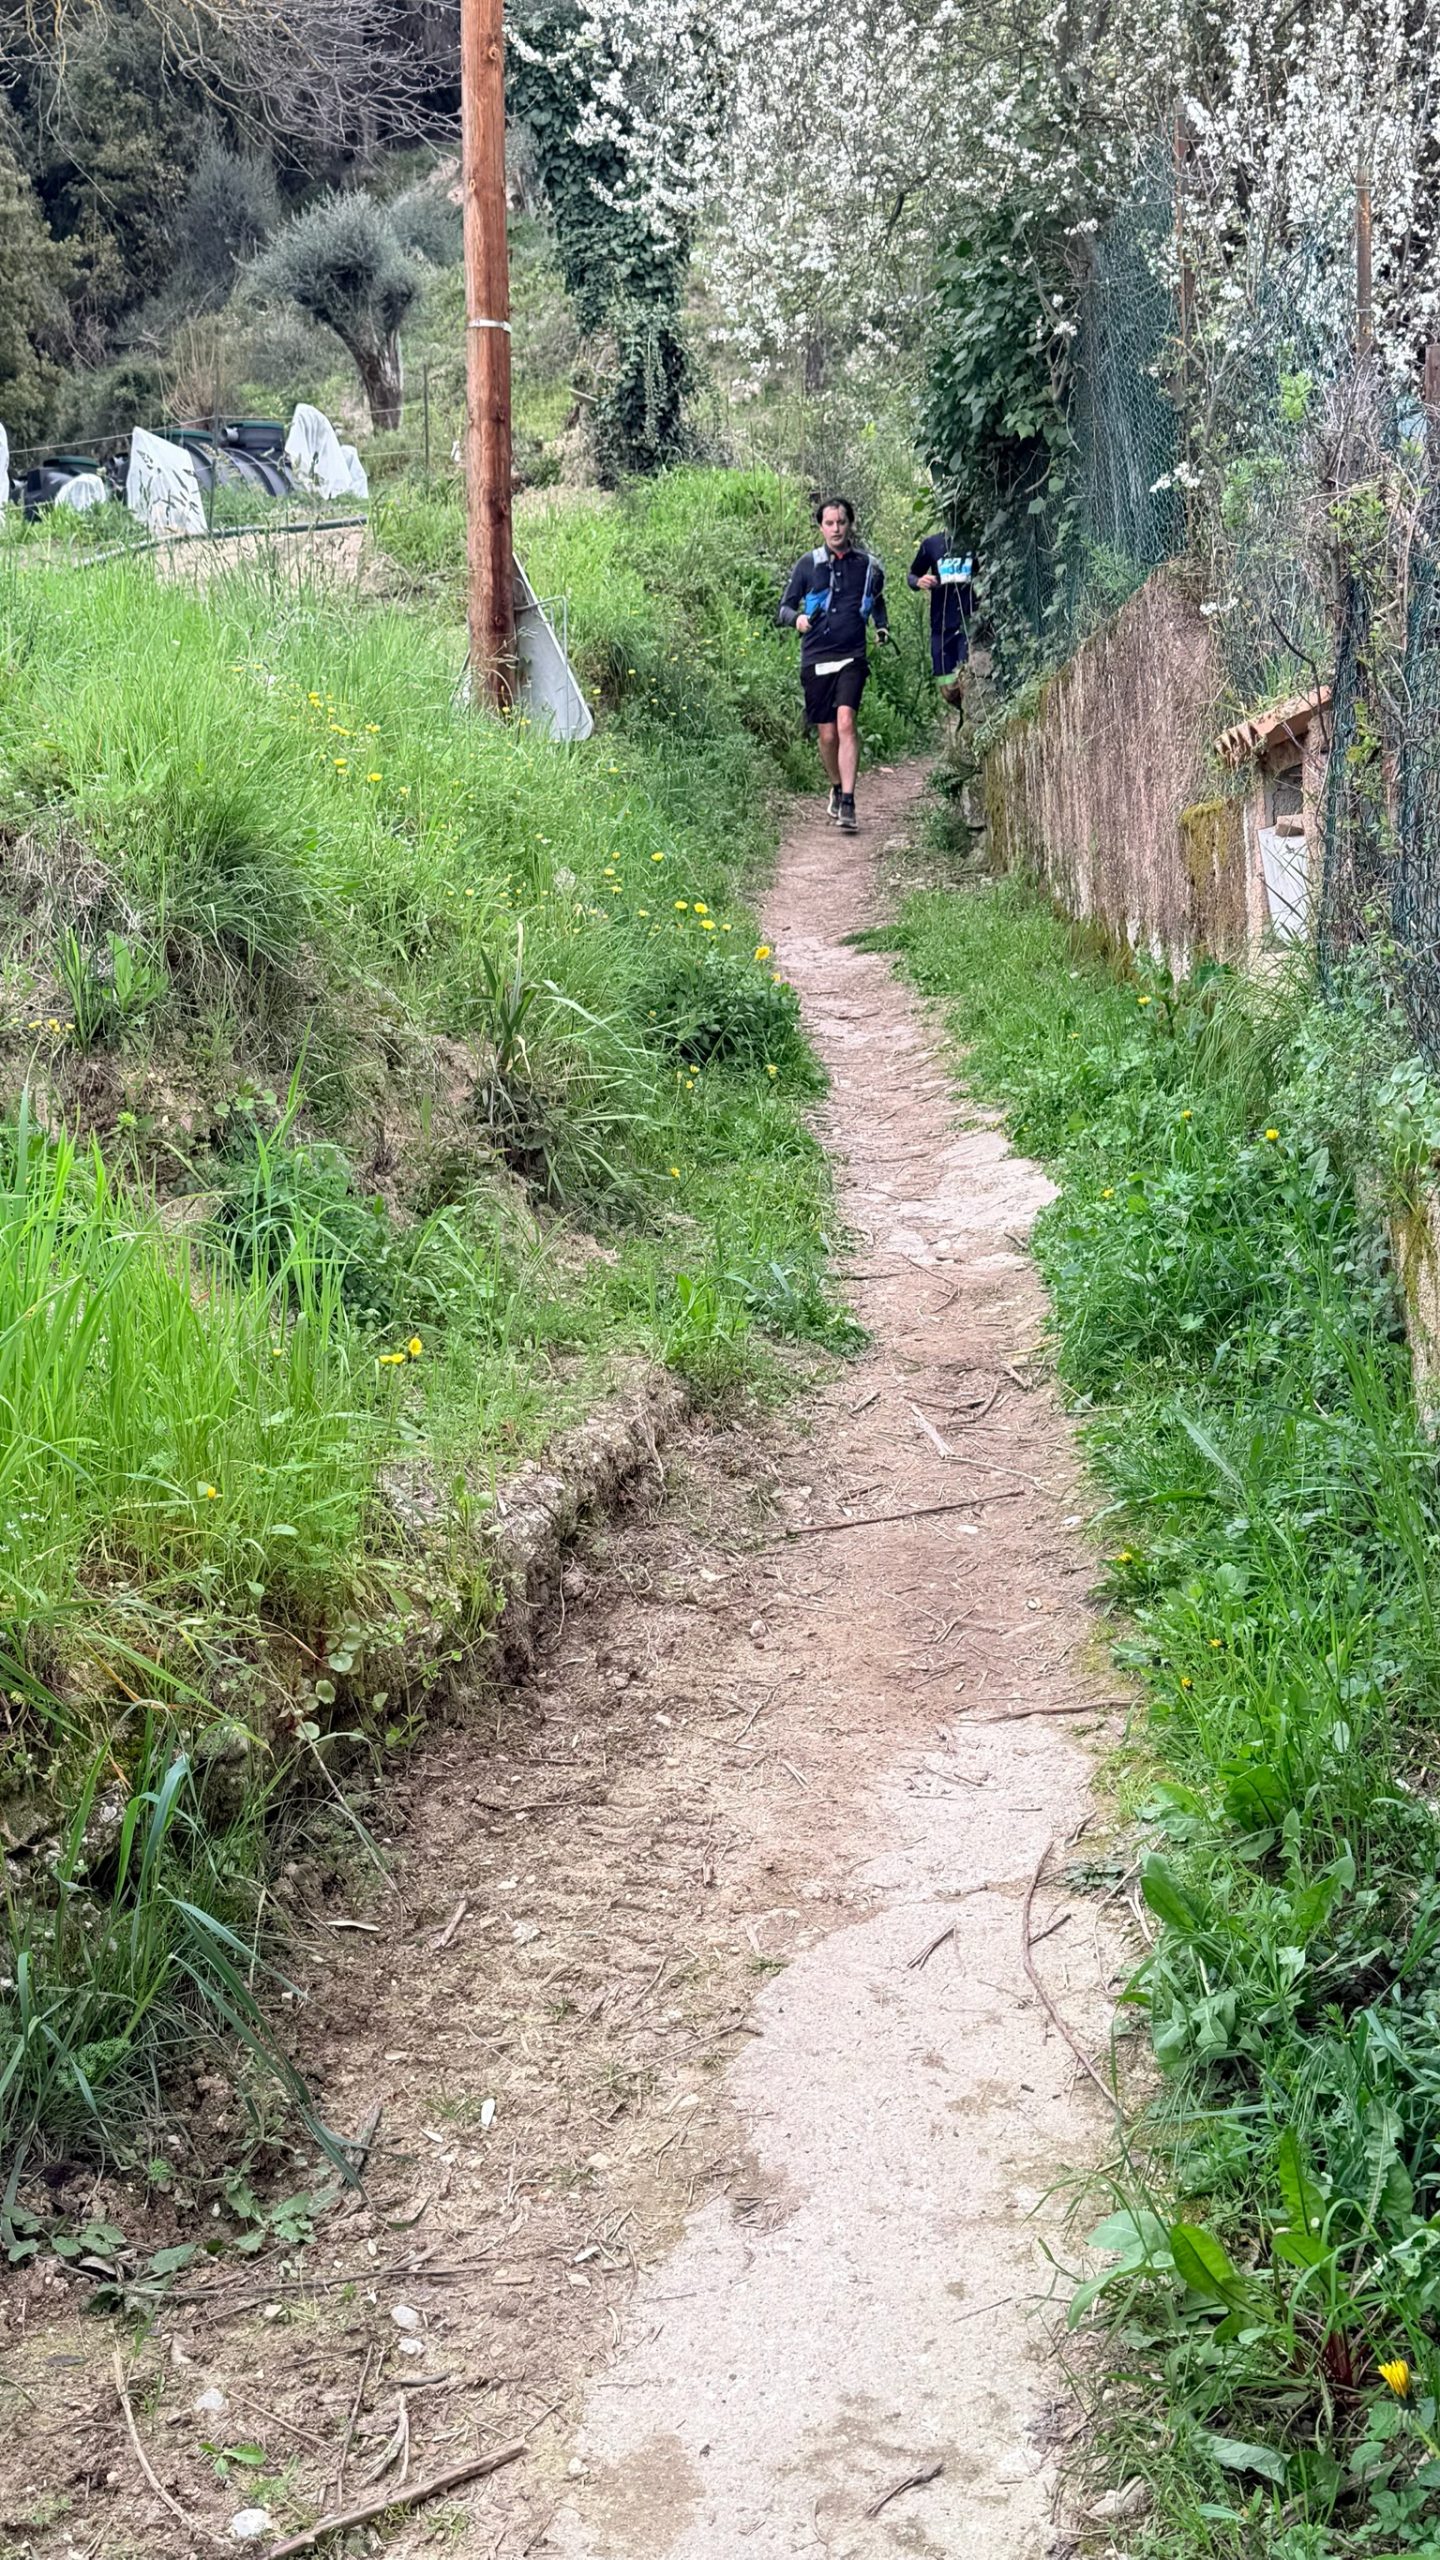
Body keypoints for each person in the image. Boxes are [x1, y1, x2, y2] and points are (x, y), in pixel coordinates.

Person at [778, 497, 888, 833]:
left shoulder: (868, 565)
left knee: (846, 723)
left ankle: (850, 803)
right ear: (821, 527)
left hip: (852, 656)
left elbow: (877, 599)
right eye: (829, 523)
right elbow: (783, 608)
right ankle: (837, 788)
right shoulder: (807, 564)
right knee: (827, 735)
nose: (836, 529)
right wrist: (797, 620)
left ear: (850, 524)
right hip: (816, 657)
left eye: (841, 522)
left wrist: (881, 627)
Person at [907, 526, 975, 708]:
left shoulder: (974, 538)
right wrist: (918, 581)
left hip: (968, 624)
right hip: (941, 626)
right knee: (948, 690)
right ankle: (963, 712)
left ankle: (972, 718)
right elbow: (912, 575)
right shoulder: (932, 544)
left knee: (967, 682)